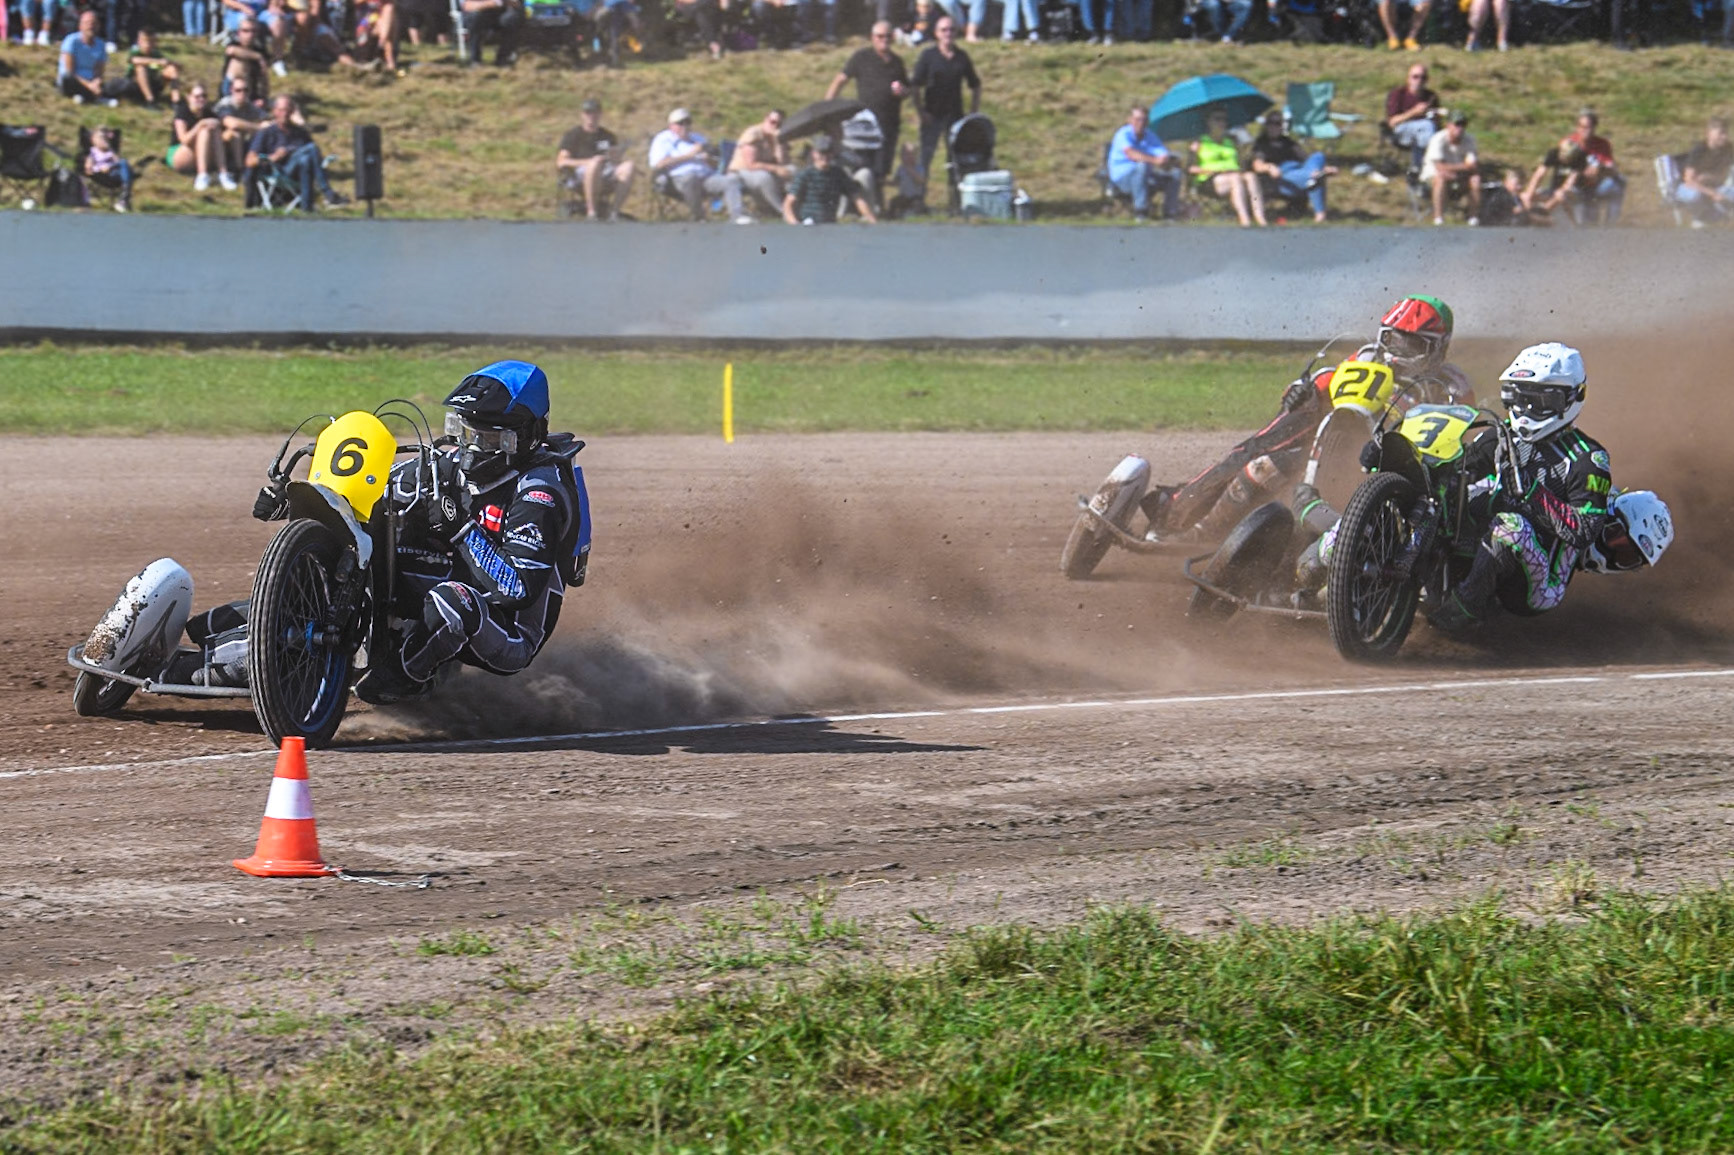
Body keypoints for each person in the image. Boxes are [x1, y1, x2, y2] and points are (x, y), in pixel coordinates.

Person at [1146, 295, 1473, 545]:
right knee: (1261, 462)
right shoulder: (1367, 358)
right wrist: (1299, 391)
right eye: (1393, 338)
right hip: (1321, 449)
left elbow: (1460, 439)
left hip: (1386, 472)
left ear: (1438, 348)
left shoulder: (1451, 386)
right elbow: (1327, 381)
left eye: (1411, 343)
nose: (1398, 350)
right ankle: (1193, 522)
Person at [1425, 343, 1611, 631]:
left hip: (1538, 586)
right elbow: (1460, 467)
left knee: (1509, 525)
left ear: (1573, 397)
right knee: (1443, 492)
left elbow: (1584, 530)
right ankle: (1348, 568)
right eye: (1520, 396)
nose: (1527, 409)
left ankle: (1464, 608)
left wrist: (1533, 493)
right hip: (1481, 549)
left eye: (1542, 399)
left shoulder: (1588, 459)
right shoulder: (1500, 436)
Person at [826, 22, 909, 182]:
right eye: (880, 36)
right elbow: (840, 80)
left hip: (889, 122)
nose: (884, 39)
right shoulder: (861, 57)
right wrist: (827, 108)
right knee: (864, 166)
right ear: (872, 38)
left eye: (888, 36)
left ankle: (877, 204)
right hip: (866, 123)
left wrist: (903, 91)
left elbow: (907, 90)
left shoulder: (897, 62)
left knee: (883, 168)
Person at [246, 94, 350, 210]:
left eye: (287, 110)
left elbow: (314, 158)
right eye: (281, 110)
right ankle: (328, 194)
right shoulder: (266, 132)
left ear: (292, 112)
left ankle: (307, 208)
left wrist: (302, 124)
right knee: (311, 148)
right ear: (274, 111)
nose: (284, 114)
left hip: (298, 171)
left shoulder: (300, 132)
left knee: (305, 160)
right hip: (280, 171)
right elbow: (249, 161)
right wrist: (273, 157)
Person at [649, 108, 750, 223]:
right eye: (680, 123)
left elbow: (716, 165)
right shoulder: (663, 140)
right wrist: (690, 155)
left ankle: (737, 216)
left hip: (706, 177)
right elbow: (658, 164)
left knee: (730, 181)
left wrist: (709, 160)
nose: (685, 126)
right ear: (671, 126)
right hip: (678, 180)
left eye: (688, 122)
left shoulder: (698, 138)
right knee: (691, 178)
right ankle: (699, 218)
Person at [910, 15, 979, 176]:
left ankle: (956, 198)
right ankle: (919, 198)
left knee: (956, 160)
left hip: (955, 116)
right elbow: (915, 85)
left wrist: (973, 112)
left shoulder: (962, 57)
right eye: (944, 30)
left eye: (952, 30)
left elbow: (975, 84)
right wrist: (921, 112)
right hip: (932, 115)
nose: (948, 33)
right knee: (925, 159)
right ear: (936, 33)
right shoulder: (928, 56)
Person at [1248, 109, 1336, 223]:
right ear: (1266, 125)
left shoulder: (1288, 143)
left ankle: (1315, 174)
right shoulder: (1261, 144)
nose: (1274, 127)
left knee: (1318, 156)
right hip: (1282, 178)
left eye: (1278, 123)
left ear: (1282, 126)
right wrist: (1269, 167)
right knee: (1315, 179)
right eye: (1271, 123)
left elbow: (1307, 159)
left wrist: (1324, 168)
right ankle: (1320, 214)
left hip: (1300, 172)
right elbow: (1257, 165)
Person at [558, 98, 636, 221]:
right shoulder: (573, 135)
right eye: (588, 113)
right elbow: (562, 161)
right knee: (595, 164)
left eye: (594, 113)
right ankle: (592, 212)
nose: (591, 116)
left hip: (605, 172)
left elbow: (615, 162)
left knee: (629, 166)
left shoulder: (607, 136)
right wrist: (589, 162)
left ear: (600, 114)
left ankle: (614, 212)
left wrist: (617, 154)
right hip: (580, 174)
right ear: (582, 115)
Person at [1188, 108, 1265, 228]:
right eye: (1217, 119)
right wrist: (1214, 171)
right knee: (1235, 179)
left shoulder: (1231, 140)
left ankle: (1260, 217)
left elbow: (1241, 164)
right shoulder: (1200, 142)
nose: (1221, 123)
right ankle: (1244, 218)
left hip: (1234, 173)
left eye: (1224, 119)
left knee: (1251, 177)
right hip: (1210, 179)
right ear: (1209, 122)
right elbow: (1191, 169)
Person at [1105, 104, 1180, 222]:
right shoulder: (1123, 134)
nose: (1141, 123)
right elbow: (1131, 154)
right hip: (1123, 179)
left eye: (1144, 120)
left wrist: (1167, 160)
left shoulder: (1150, 135)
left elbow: (1161, 152)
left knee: (1175, 174)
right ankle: (1141, 212)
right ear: (1129, 120)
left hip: (1145, 177)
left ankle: (1169, 214)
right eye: (1137, 119)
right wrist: (1155, 160)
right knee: (1142, 166)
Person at [783, 133, 878, 224]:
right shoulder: (805, 175)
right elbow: (788, 203)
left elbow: (857, 198)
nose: (825, 157)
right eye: (821, 153)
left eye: (828, 152)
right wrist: (794, 224)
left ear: (832, 154)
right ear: (814, 154)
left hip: (830, 225)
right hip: (808, 224)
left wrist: (871, 220)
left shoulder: (838, 174)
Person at [168, 84, 234, 191]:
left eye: (204, 96)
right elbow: (183, 139)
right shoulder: (182, 112)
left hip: (201, 153)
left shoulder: (209, 113)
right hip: (180, 152)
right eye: (197, 96)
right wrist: (199, 125)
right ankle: (202, 175)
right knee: (204, 130)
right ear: (189, 97)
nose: (201, 99)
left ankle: (223, 173)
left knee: (214, 128)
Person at [731, 109, 794, 218]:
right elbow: (751, 164)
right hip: (742, 171)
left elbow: (783, 163)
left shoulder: (774, 137)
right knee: (764, 178)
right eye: (773, 122)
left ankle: (795, 206)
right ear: (766, 119)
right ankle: (781, 211)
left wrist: (778, 142)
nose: (775, 126)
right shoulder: (753, 134)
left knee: (792, 170)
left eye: (779, 124)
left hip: (763, 168)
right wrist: (776, 169)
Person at [1672, 116, 1734, 225]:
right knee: (1696, 195)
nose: (1725, 137)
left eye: (1726, 133)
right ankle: (1701, 222)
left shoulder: (1728, 149)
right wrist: (1712, 193)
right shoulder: (1699, 150)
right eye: (1721, 133)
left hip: (1712, 185)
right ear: (1709, 133)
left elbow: (1724, 175)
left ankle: (1718, 219)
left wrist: (1709, 178)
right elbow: (1689, 180)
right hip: (1687, 187)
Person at [1421, 109, 1479, 226]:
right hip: (1433, 175)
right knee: (1440, 178)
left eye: (1463, 124)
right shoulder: (1438, 139)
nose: (1460, 128)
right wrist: (1463, 167)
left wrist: (1454, 169)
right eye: (1457, 124)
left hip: (1458, 176)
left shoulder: (1470, 140)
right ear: (1448, 125)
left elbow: (1473, 166)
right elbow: (1439, 166)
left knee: (1475, 180)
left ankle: (1473, 218)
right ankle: (1438, 218)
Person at [1384, 62, 1438, 172]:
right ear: (1408, 79)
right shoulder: (1398, 94)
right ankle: (1427, 166)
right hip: (1401, 131)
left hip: (1424, 134)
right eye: (1415, 77)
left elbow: (1436, 121)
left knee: (1429, 129)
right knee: (1426, 126)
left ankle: (1418, 168)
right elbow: (1392, 122)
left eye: (1423, 77)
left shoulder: (1431, 96)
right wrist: (1414, 112)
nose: (1419, 80)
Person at [58, 11, 120, 104]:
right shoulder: (71, 41)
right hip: (74, 81)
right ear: (80, 26)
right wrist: (89, 85)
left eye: (93, 23)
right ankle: (95, 98)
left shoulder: (101, 44)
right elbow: (70, 71)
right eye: (87, 23)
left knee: (116, 84)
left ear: (98, 26)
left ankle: (85, 97)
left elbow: (99, 71)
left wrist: (96, 83)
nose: (90, 26)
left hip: (91, 80)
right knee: (67, 78)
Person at [215, 75, 268, 174]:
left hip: (239, 144)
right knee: (235, 133)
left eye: (245, 90)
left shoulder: (248, 105)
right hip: (218, 145)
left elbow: (265, 118)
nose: (242, 93)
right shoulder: (225, 104)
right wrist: (259, 127)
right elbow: (232, 123)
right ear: (231, 90)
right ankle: (240, 169)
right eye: (238, 90)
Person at [223, 16, 275, 101]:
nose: (250, 35)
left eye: (253, 31)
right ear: (239, 32)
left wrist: (262, 98)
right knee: (238, 62)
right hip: (230, 93)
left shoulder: (260, 50)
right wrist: (257, 57)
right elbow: (231, 51)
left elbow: (264, 77)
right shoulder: (234, 44)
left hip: (252, 93)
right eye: (245, 31)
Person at [125, 28, 180, 106]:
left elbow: (164, 63)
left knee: (171, 69)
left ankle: (176, 101)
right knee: (140, 68)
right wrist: (158, 62)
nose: (148, 45)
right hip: (134, 87)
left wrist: (172, 64)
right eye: (145, 41)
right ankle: (150, 101)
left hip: (152, 84)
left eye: (151, 41)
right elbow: (135, 60)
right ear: (139, 41)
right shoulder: (135, 52)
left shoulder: (156, 54)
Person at [83, 127, 133, 211]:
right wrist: (96, 169)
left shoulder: (110, 151)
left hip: (114, 172)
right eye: (101, 138)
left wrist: (110, 150)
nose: (104, 140)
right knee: (126, 168)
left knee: (124, 163)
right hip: (103, 174)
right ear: (94, 141)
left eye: (105, 138)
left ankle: (124, 198)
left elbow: (118, 161)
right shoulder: (93, 152)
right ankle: (124, 199)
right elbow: (88, 168)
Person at [461, 0, 519, 64]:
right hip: (479, 16)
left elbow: (516, 4)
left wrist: (507, 2)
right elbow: (467, 6)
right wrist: (491, 3)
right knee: (474, 18)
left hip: (499, 15)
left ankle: (502, 58)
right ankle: (475, 60)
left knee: (512, 18)